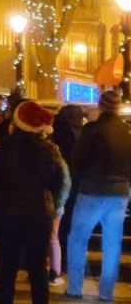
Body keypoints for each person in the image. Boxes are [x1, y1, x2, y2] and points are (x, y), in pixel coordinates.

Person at [0, 100, 68, 304]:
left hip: (8, 213)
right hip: (38, 214)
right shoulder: (49, 150)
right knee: (37, 269)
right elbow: (57, 183)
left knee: (7, 269)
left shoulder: (5, 148)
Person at [65, 90, 131, 302]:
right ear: (118, 107)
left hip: (91, 191)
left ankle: (75, 288)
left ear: (101, 106)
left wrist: (84, 178)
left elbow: (77, 160)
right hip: (119, 195)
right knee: (112, 244)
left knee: (77, 240)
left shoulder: (90, 131)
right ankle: (106, 293)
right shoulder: (127, 133)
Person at [51, 103, 84, 279]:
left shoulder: (57, 133)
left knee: (58, 229)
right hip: (74, 187)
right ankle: (65, 263)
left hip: (60, 186)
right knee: (68, 227)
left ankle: (57, 263)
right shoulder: (77, 136)